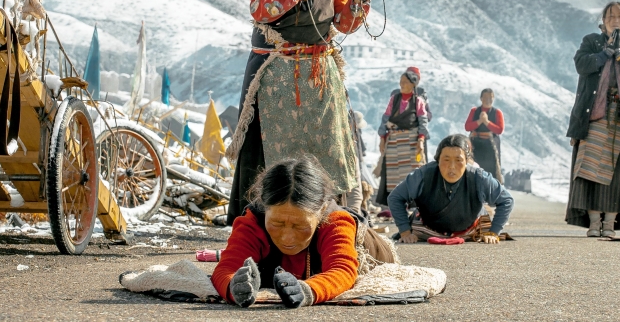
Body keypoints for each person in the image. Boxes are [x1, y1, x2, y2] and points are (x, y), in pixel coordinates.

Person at [225, 0, 387, 223]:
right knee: (273, 146)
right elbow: (259, 10)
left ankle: (327, 214)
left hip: (319, 74)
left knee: (325, 144)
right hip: (278, 73)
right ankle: (260, 217)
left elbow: (343, 23)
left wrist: (360, 0)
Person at [212, 156, 396, 308]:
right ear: (264, 207)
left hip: (373, 251)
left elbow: (342, 270)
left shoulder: (335, 221)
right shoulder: (252, 222)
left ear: (322, 210)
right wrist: (233, 286)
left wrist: (308, 291)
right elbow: (226, 269)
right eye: (277, 223)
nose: (287, 238)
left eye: (300, 226)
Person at [565, 1, 620, 237]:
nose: (615, 20)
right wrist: (604, 54)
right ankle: (594, 223)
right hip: (593, 115)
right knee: (590, 167)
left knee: (617, 172)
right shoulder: (591, 41)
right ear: (603, 20)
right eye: (611, 16)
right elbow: (581, 65)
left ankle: (610, 224)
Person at [388, 134, 514, 243]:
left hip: (470, 230)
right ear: (438, 160)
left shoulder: (479, 178)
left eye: (458, 160)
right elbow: (395, 198)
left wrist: (494, 232)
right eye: (446, 160)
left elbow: (506, 200)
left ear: (466, 161)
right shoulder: (422, 175)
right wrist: (405, 231)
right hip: (427, 229)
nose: (452, 166)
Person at [374, 67, 430, 205]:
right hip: (394, 141)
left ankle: (414, 203)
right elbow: (385, 118)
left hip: (411, 141)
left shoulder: (418, 101)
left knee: (412, 172)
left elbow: (423, 122)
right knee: (394, 173)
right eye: (401, 81)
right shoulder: (394, 99)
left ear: (413, 84)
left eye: (405, 82)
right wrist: (382, 138)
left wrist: (421, 141)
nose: (401, 84)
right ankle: (397, 202)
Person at [464, 88, 505, 181]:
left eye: (490, 98)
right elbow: (467, 127)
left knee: (491, 171)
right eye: (486, 97)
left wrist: (486, 122)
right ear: (481, 98)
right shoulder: (474, 111)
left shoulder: (497, 113)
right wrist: (479, 121)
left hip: (490, 146)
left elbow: (499, 130)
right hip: (475, 145)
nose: (488, 100)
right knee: (473, 169)